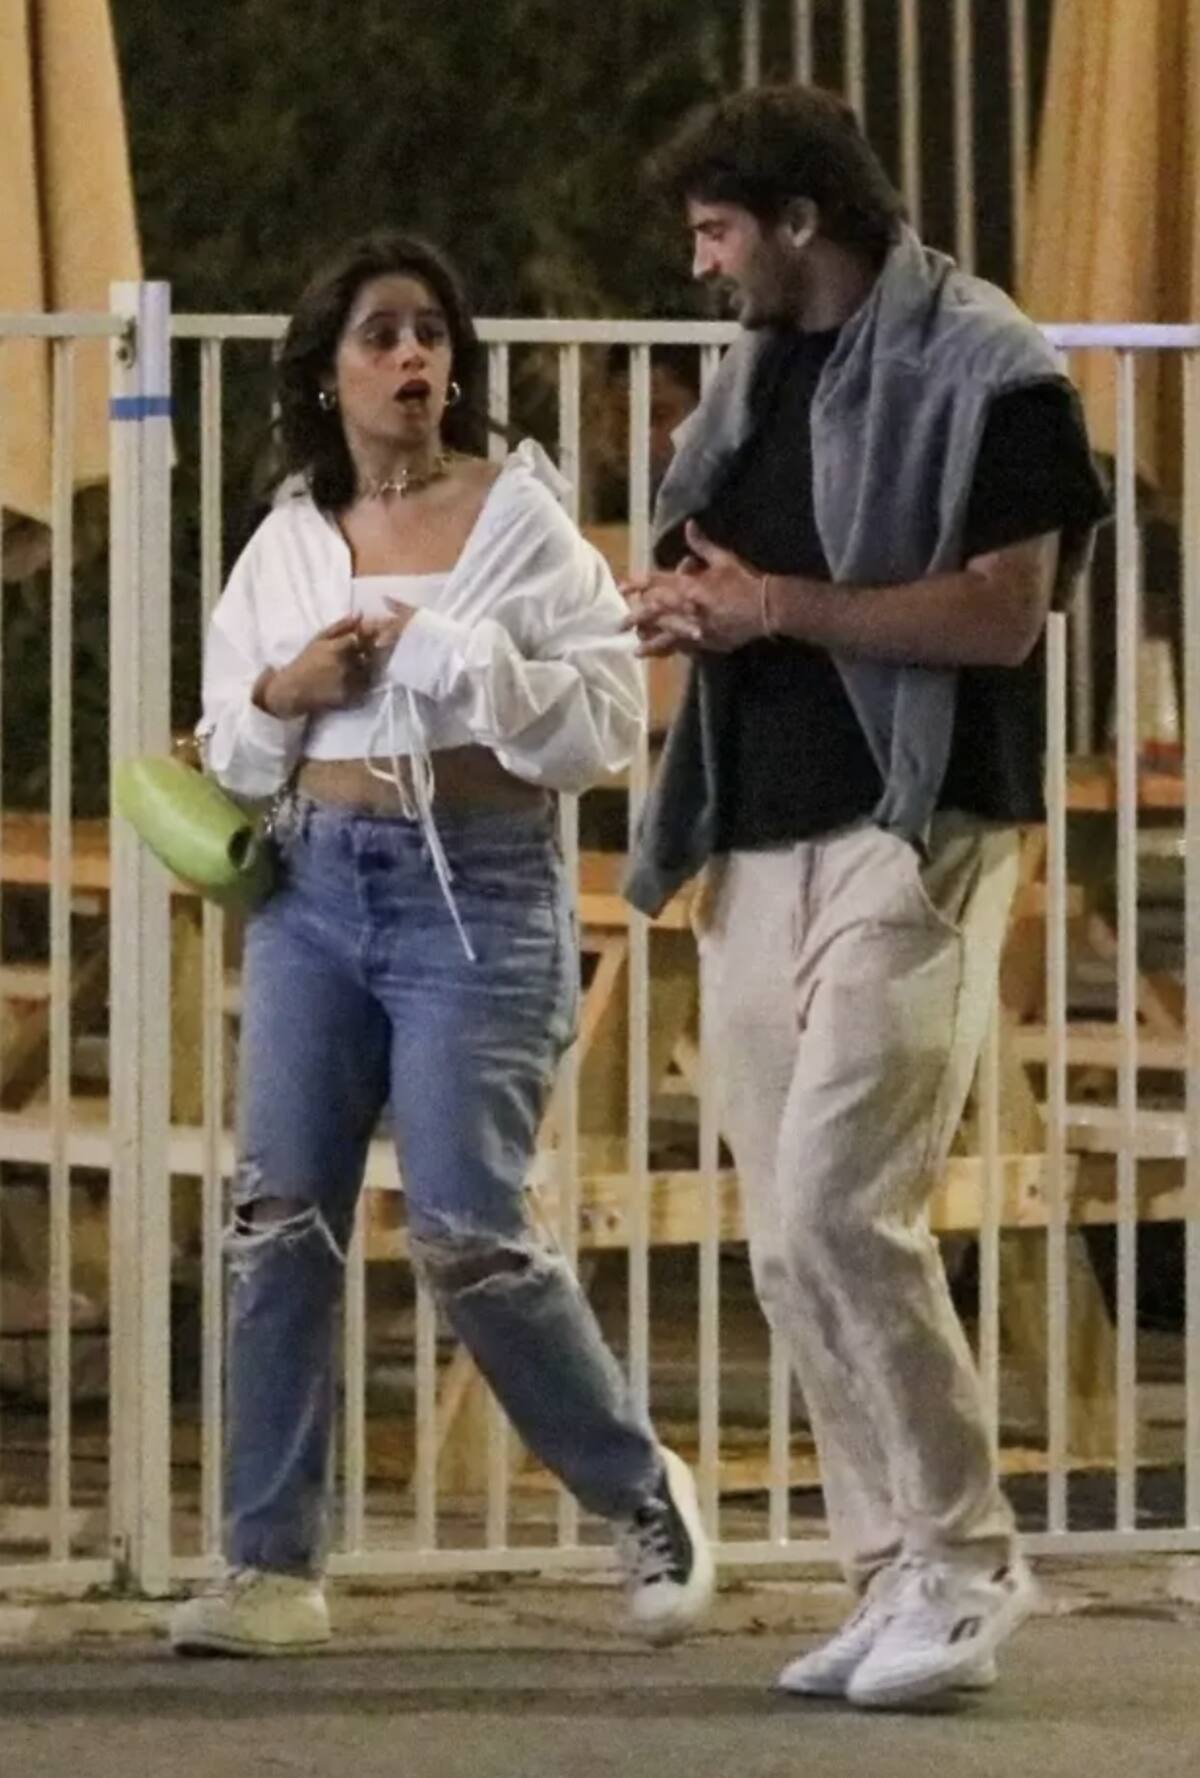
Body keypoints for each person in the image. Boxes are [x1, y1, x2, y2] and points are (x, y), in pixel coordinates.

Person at [622, 88, 1108, 1708]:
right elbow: (736, 570)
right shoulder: (762, 369)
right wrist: (692, 609)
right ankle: (888, 1564)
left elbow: (1002, 617)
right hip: (759, 828)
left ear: (799, 221)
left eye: (717, 232)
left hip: (918, 822)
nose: (703, 265)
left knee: (845, 1202)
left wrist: (777, 605)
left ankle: (967, 1563)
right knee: (784, 1237)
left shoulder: (994, 367)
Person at [168, 230, 713, 1656]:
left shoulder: (523, 524)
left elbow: (603, 729)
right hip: (313, 887)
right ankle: (270, 1565)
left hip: (476, 888)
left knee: (470, 1226)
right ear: (330, 373)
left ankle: (641, 1492)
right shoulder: (290, 541)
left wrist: (457, 659)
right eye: (382, 334)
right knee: (279, 1219)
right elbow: (228, 744)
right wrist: (288, 689)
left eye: (430, 332)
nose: (413, 355)